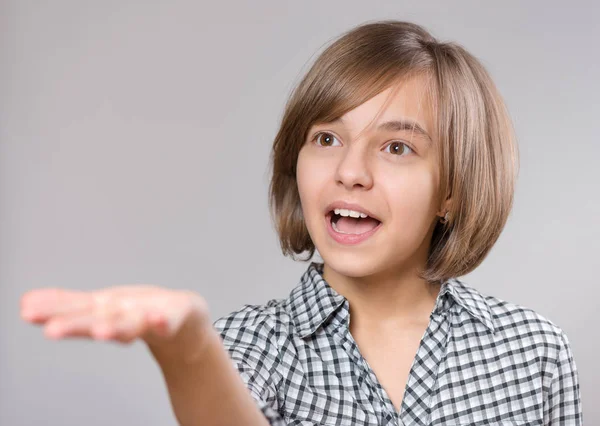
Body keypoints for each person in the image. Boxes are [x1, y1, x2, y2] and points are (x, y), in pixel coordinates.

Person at [19, 20, 582, 426]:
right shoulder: (248, 346)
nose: (350, 171)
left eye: (397, 147)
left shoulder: (535, 352)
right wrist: (190, 353)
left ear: (453, 194)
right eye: (327, 138)